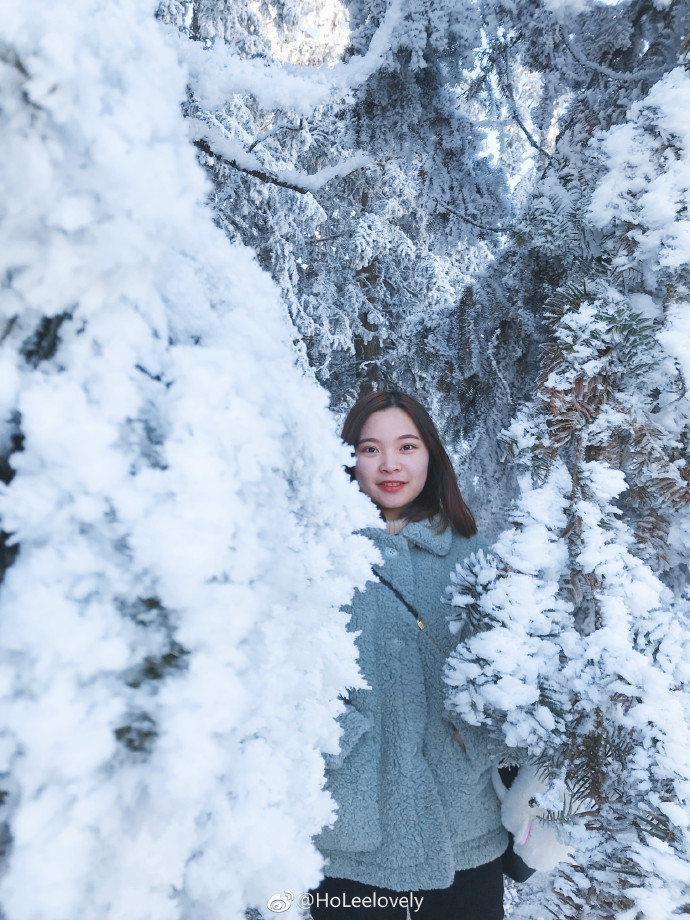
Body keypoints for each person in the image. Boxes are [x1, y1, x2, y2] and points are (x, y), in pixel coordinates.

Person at [309, 390, 508, 920]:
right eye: (370, 448)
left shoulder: (475, 556)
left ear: (431, 456)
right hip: (348, 836)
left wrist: (476, 741)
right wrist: (339, 742)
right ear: (347, 457)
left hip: (463, 829)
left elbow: (511, 680)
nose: (390, 464)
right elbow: (281, 674)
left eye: (407, 445)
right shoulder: (317, 554)